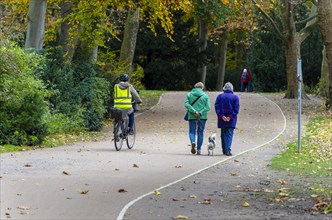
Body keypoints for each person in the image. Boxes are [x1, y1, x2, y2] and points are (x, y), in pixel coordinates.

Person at [184, 82, 210, 155]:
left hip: (192, 116)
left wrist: (194, 111)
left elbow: (186, 104)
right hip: (202, 117)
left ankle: (193, 141)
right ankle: (199, 149)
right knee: (200, 133)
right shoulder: (205, 96)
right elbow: (208, 107)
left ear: (195, 87)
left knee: (192, 131)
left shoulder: (189, 94)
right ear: (202, 88)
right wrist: (200, 112)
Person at [214, 82, 240, 156]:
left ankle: (224, 149)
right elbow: (236, 108)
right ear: (232, 89)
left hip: (222, 118)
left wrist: (222, 116)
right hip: (231, 119)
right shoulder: (235, 97)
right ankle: (228, 150)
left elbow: (217, 107)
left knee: (223, 134)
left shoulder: (219, 96)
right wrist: (230, 117)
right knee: (229, 134)